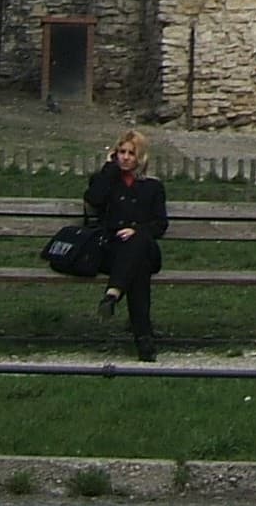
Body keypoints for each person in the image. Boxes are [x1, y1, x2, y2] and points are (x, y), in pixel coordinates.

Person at [82, 129, 168, 361]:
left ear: (140, 157)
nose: (126, 157)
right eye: (121, 152)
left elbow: (160, 224)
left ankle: (113, 293)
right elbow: (93, 200)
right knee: (138, 268)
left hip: (145, 247)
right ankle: (144, 340)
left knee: (138, 242)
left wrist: (137, 230)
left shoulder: (152, 187)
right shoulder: (107, 181)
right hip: (112, 250)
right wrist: (109, 169)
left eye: (131, 153)